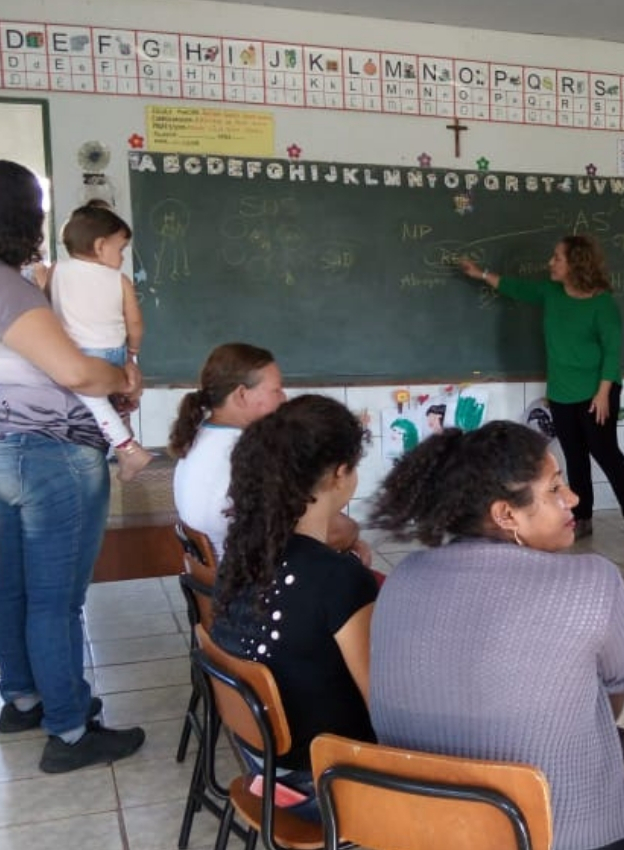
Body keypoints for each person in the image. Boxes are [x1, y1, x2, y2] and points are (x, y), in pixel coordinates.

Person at [0, 160, 145, 772]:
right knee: (57, 601)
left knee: (20, 586)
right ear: (24, 214)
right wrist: (122, 379)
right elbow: (77, 371)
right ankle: (71, 730)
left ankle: (23, 699)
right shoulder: (3, 283)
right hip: (48, 451)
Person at [367, 421, 624, 850]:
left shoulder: (404, 576)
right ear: (505, 514)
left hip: (423, 826)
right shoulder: (593, 581)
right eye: (555, 489)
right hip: (552, 831)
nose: (573, 498)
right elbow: (616, 690)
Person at [211, 394, 378, 822]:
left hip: (261, 767)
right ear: (341, 473)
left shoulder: (245, 554)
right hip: (325, 785)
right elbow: (382, 704)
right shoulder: (338, 580)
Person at [460, 236, 624, 546]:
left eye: (557, 258)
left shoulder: (602, 304)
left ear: (576, 264)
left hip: (596, 392)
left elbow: (612, 353)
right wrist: (479, 273)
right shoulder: (550, 293)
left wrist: (602, 394)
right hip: (562, 392)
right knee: (574, 458)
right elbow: (513, 287)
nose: (550, 263)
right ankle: (583, 517)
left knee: (606, 454)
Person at [168, 342, 369, 565]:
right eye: (276, 390)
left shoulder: (199, 436)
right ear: (242, 395)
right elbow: (334, 532)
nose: (284, 399)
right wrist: (352, 535)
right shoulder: (248, 453)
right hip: (257, 586)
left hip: (225, 583)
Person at [48, 201, 152, 480]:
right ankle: (126, 441)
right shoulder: (120, 281)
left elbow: (47, 309)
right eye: (120, 250)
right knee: (114, 400)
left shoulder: (56, 272)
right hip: (114, 354)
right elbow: (136, 324)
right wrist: (132, 353)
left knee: (96, 403)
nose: (121, 258)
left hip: (79, 357)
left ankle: (127, 449)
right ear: (99, 246)